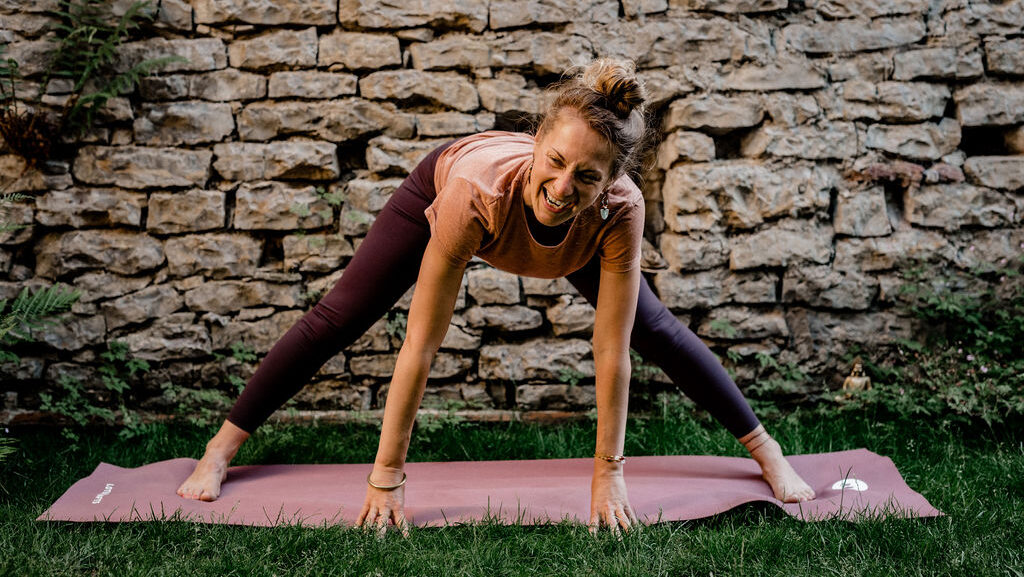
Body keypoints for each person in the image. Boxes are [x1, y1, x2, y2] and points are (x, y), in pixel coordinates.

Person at [177, 58, 815, 534]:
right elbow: (422, 344)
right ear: (537, 140)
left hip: (575, 241)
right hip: (448, 186)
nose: (563, 187)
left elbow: (611, 353)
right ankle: (221, 448)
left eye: (587, 176)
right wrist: (386, 479)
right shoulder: (476, 192)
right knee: (341, 316)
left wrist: (609, 474)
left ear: (614, 179)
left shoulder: (620, 208)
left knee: (657, 332)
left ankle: (767, 451)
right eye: (556, 161)